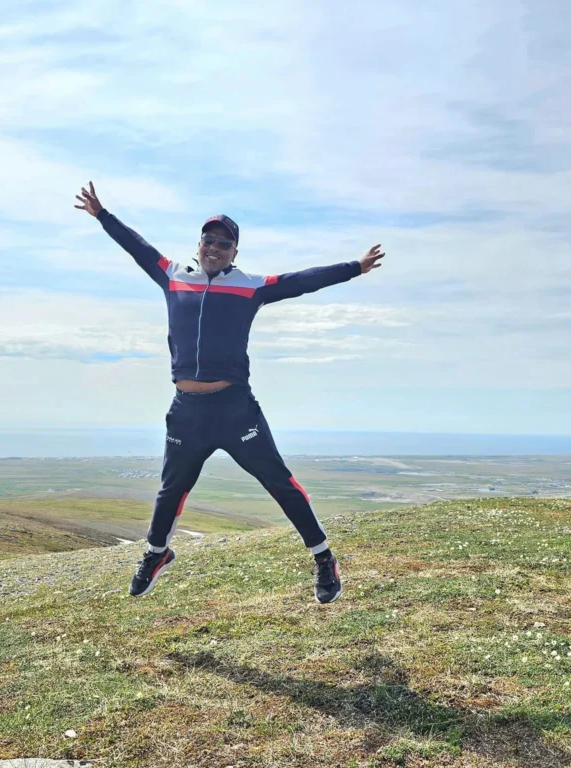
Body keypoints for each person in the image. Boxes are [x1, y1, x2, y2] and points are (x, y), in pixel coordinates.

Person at [74, 182, 385, 603]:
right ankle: (157, 553)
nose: (214, 248)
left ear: (235, 252)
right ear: (198, 244)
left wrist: (355, 267)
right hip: (187, 410)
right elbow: (137, 247)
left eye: (224, 243)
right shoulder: (172, 276)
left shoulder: (251, 286)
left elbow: (302, 281)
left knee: (279, 482)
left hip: (234, 409)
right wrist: (102, 215)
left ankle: (324, 558)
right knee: (170, 489)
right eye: (209, 240)